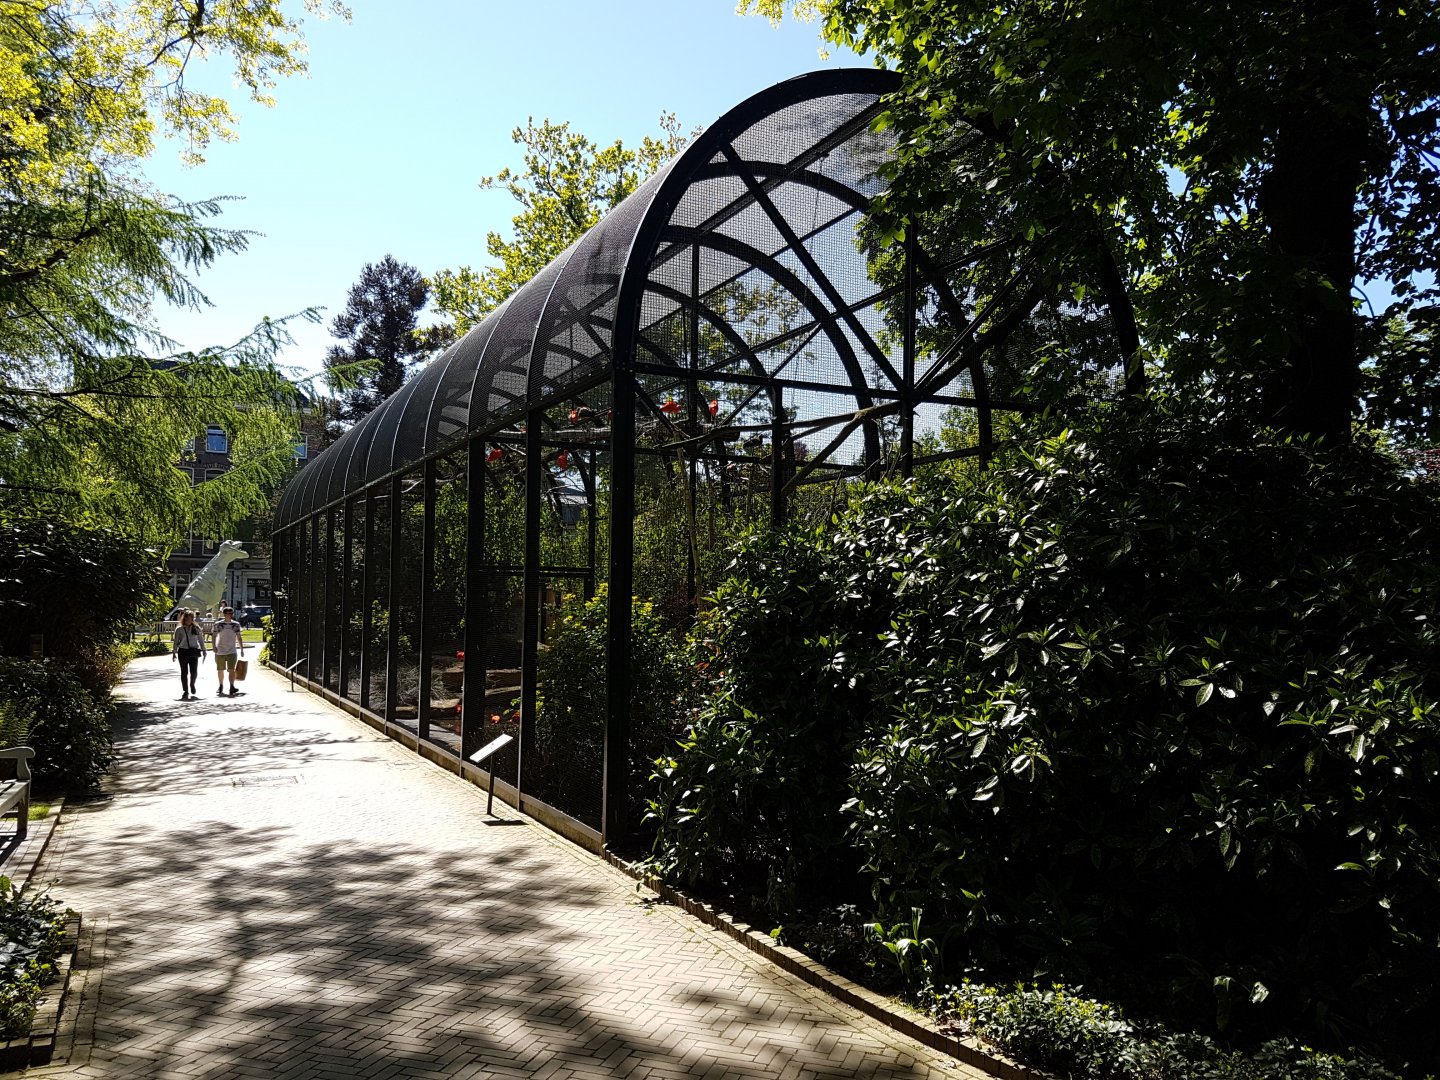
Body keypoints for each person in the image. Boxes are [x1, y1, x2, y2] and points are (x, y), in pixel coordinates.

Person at [211, 606, 247, 697]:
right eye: (227, 613)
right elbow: (214, 636)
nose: (229, 615)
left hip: (232, 650)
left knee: (232, 669)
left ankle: (231, 686)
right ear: (224, 614)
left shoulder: (236, 624)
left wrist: (241, 649)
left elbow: (239, 637)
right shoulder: (218, 624)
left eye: (231, 613)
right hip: (220, 650)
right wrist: (214, 646)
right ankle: (221, 685)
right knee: (220, 670)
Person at [170, 610, 205, 701]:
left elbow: (201, 640)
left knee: (194, 672)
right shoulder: (179, 629)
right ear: (185, 618)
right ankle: (185, 691)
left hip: (193, 651)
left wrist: (204, 650)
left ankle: (192, 684)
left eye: (193, 618)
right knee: (184, 672)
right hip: (183, 651)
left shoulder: (196, 628)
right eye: (190, 617)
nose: (192, 619)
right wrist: (174, 653)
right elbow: (176, 642)